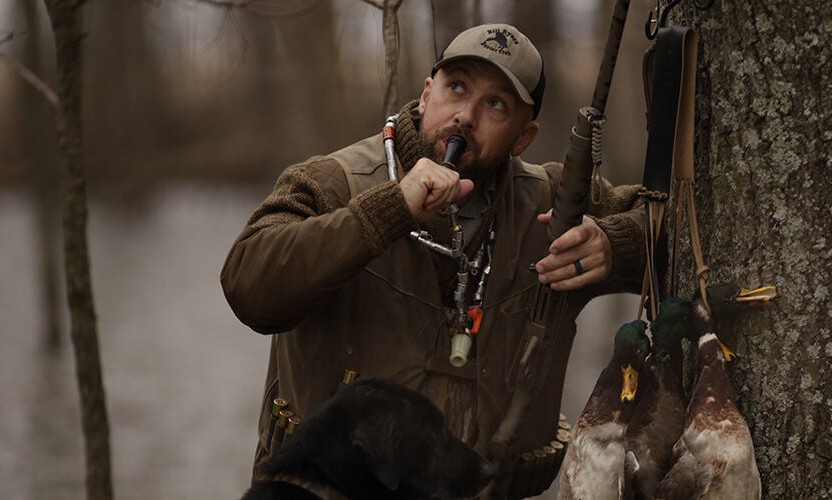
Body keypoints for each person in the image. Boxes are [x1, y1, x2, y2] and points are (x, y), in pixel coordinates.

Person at [220, 23, 648, 496]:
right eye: (456, 87)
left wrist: (617, 244)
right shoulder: (329, 183)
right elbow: (247, 286)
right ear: (427, 94)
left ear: (523, 138)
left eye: (496, 104)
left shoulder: (555, 202)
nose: (465, 116)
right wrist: (388, 211)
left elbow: (673, 222)